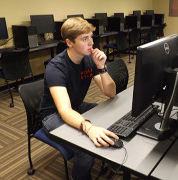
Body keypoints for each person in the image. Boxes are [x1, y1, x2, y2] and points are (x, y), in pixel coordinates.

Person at [39, 17, 119, 180]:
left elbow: (110, 93)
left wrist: (102, 67)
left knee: (110, 117)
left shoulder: (89, 59)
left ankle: (114, 163)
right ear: (69, 42)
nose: (91, 43)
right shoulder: (56, 68)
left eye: (91, 37)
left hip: (75, 106)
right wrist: (88, 128)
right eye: (84, 39)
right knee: (84, 149)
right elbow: (64, 110)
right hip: (53, 115)